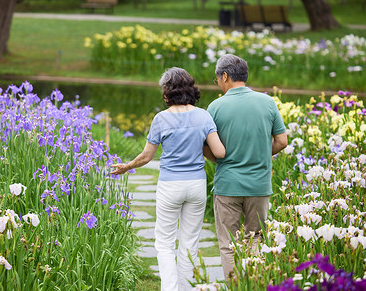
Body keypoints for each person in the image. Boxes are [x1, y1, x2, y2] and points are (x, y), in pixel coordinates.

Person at [111, 67, 226, 291]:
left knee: (164, 242)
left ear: (167, 92)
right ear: (191, 89)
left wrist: (127, 167)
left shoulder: (161, 119)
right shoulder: (203, 116)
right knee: (189, 242)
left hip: (170, 186)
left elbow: (146, 156)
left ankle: (170, 288)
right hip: (196, 186)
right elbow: (219, 153)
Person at [204, 54, 288, 281]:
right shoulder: (268, 102)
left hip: (228, 185)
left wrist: (220, 159)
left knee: (228, 244)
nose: (218, 84)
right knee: (256, 239)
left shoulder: (215, 107)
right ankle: (252, 285)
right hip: (259, 185)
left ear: (225, 76)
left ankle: (234, 286)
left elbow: (205, 146)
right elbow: (282, 141)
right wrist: (260, 154)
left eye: (217, 79)